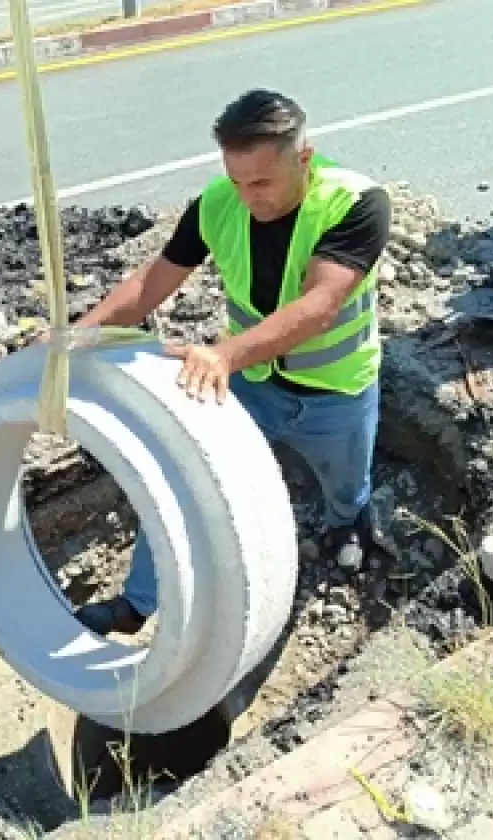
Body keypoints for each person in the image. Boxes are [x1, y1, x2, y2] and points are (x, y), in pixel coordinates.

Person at [61, 89, 391, 637]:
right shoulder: (218, 202)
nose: (247, 197)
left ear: (303, 158)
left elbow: (320, 305)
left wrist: (224, 354)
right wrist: (81, 333)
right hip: (252, 387)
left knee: (346, 484)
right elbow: (154, 279)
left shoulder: (356, 202)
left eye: (261, 182)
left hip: (338, 391)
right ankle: (139, 602)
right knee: (184, 483)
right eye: (237, 180)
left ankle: (345, 526)